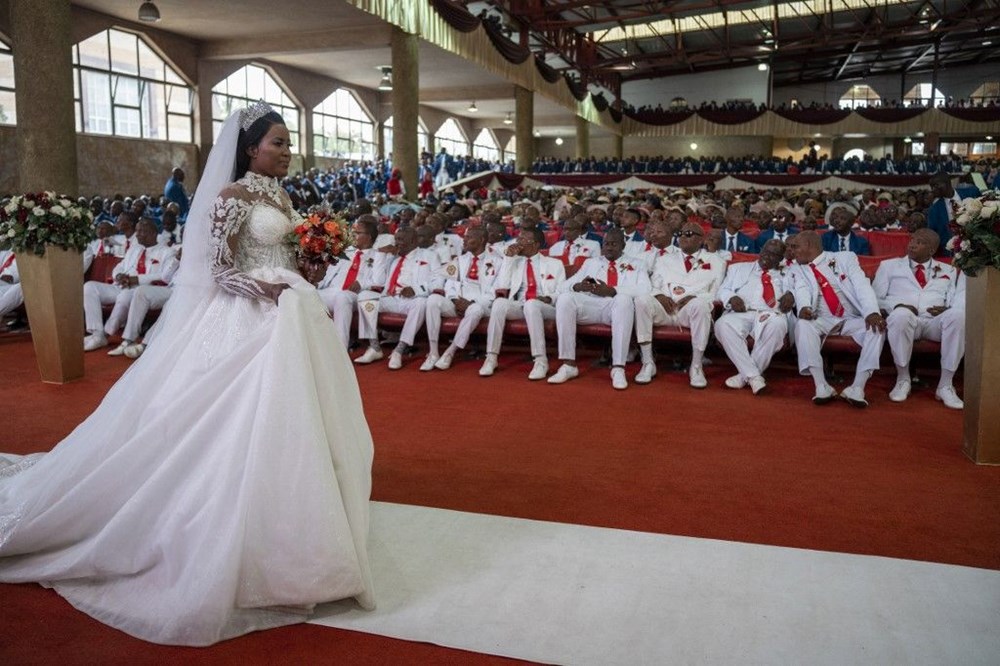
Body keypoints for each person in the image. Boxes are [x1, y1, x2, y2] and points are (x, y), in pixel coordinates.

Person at [0, 102, 375, 646]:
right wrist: (264, 289)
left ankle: (297, 513)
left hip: (292, 309)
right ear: (250, 149)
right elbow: (221, 268)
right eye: (278, 143)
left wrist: (307, 267)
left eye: (289, 143)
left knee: (298, 414)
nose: (287, 151)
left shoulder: (283, 196)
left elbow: (287, 257)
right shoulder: (229, 197)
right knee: (230, 416)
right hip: (247, 315)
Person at [789, 231, 886, 407]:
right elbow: (800, 288)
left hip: (851, 318)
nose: (792, 250)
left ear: (809, 245)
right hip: (822, 318)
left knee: (877, 328)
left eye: (795, 246)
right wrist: (804, 307)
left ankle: (858, 387)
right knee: (802, 325)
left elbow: (861, 285)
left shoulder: (845, 258)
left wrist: (872, 311)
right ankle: (821, 385)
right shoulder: (797, 267)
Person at [872, 229, 965, 409]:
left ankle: (945, 384)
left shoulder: (950, 270)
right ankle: (903, 378)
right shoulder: (888, 266)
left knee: (958, 315)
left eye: (920, 242)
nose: (912, 244)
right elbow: (875, 298)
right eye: (912, 239)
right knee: (900, 316)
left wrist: (948, 309)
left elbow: (955, 299)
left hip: (934, 322)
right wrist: (897, 306)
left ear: (931, 250)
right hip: (906, 321)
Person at [548, 229, 651, 390]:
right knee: (565, 298)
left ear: (623, 245)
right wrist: (578, 286)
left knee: (623, 300)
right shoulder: (591, 262)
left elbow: (645, 289)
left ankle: (618, 368)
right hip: (592, 305)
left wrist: (613, 290)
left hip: (617, 308)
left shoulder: (638, 264)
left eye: (613, 244)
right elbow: (564, 286)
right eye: (606, 244)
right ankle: (568, 365)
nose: (609, 248)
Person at [633, 223, 725, 388]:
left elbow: (716, 292)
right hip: (665, 307)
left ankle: (696, 366)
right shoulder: (665, 258)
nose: (683, 236)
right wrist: (659, 295)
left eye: (689, 233)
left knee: (701, 305)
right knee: (642, 300)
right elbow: (654, 284)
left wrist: (694, 296)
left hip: (689, 310)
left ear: (701, 238)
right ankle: (647, 362)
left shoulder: (716, 260)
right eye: (681, 233)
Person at [715, 239, 793, 395]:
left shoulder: (789, 273)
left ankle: (745, 376)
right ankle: (755, 377)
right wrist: (731, 297)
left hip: (771, 313)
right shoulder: (738, 268)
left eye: (773, 254)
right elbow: (722, 290)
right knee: (722, 324)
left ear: (780, 258)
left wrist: (792, 295)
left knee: (777, 325)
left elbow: (800, 290)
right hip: (742, 311)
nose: (766, 256)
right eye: (765, 251)